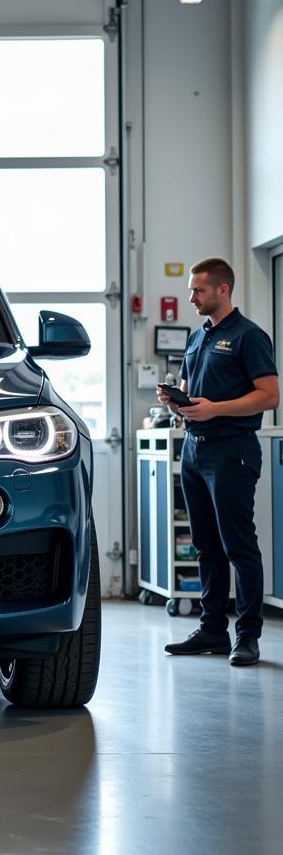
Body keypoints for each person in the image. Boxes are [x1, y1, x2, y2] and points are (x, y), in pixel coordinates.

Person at [157, 257, 279, 667]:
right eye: (191, 290)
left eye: (198, 290)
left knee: (238, 545)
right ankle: (212, 629)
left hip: (232, 450)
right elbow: (194, 392)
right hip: (195, 449)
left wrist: (216, 410)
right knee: (205, 544)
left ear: (222, 290)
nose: (191, 297)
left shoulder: (249, 336)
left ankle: (246, 635)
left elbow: (269, 395)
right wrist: (179, 402)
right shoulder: (198, 337)